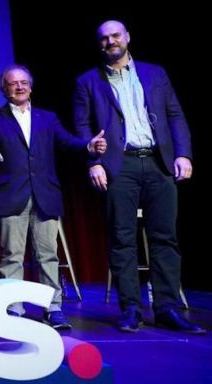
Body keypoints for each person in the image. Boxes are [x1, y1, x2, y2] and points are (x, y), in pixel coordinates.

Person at [74, 20, 204, 334]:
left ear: (128, 37)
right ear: (99, 44)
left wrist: (183, 153)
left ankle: (167, 307)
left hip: (159, 162)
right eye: (104, 38)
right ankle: (130, 308)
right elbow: (82, 126)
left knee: (165, 238)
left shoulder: (155, 73)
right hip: (120, 165)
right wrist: (93, 160)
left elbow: (174, 113)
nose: (110, 41)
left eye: (115, 35)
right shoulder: (88, 81)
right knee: (122, 239)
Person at [0, 64, 107, 330]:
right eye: (13, 83)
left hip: (45, 194)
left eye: (24, 82)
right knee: (11, 255)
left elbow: (67, 141)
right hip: (12, 194)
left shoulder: (48, 118)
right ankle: (13, 307)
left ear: (31, 86)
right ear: (4, 88)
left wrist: (88, 145)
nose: (20, 86)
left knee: (48, 255)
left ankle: (53, 307)